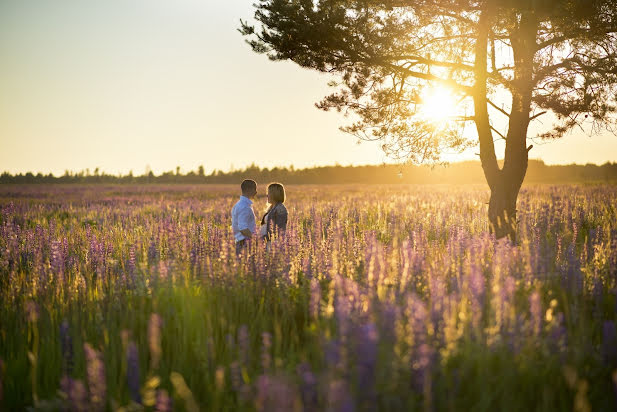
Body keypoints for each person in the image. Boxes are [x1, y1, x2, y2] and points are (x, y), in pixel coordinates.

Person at [231, 179, 257, 256]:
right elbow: (243, 228)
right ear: (248, 190)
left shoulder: (239, 204)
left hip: (241, 241)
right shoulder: (244, 207)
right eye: (254, 189)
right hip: (244, 243)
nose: (256, 192)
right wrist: (256, 239)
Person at [260, 183, 288, 248]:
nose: (267, 195)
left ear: (275, 195)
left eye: (269, 193)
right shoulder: (272, 208)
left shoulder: (280, 209)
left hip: (273, 244)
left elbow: (280, 230)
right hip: (266, 242)